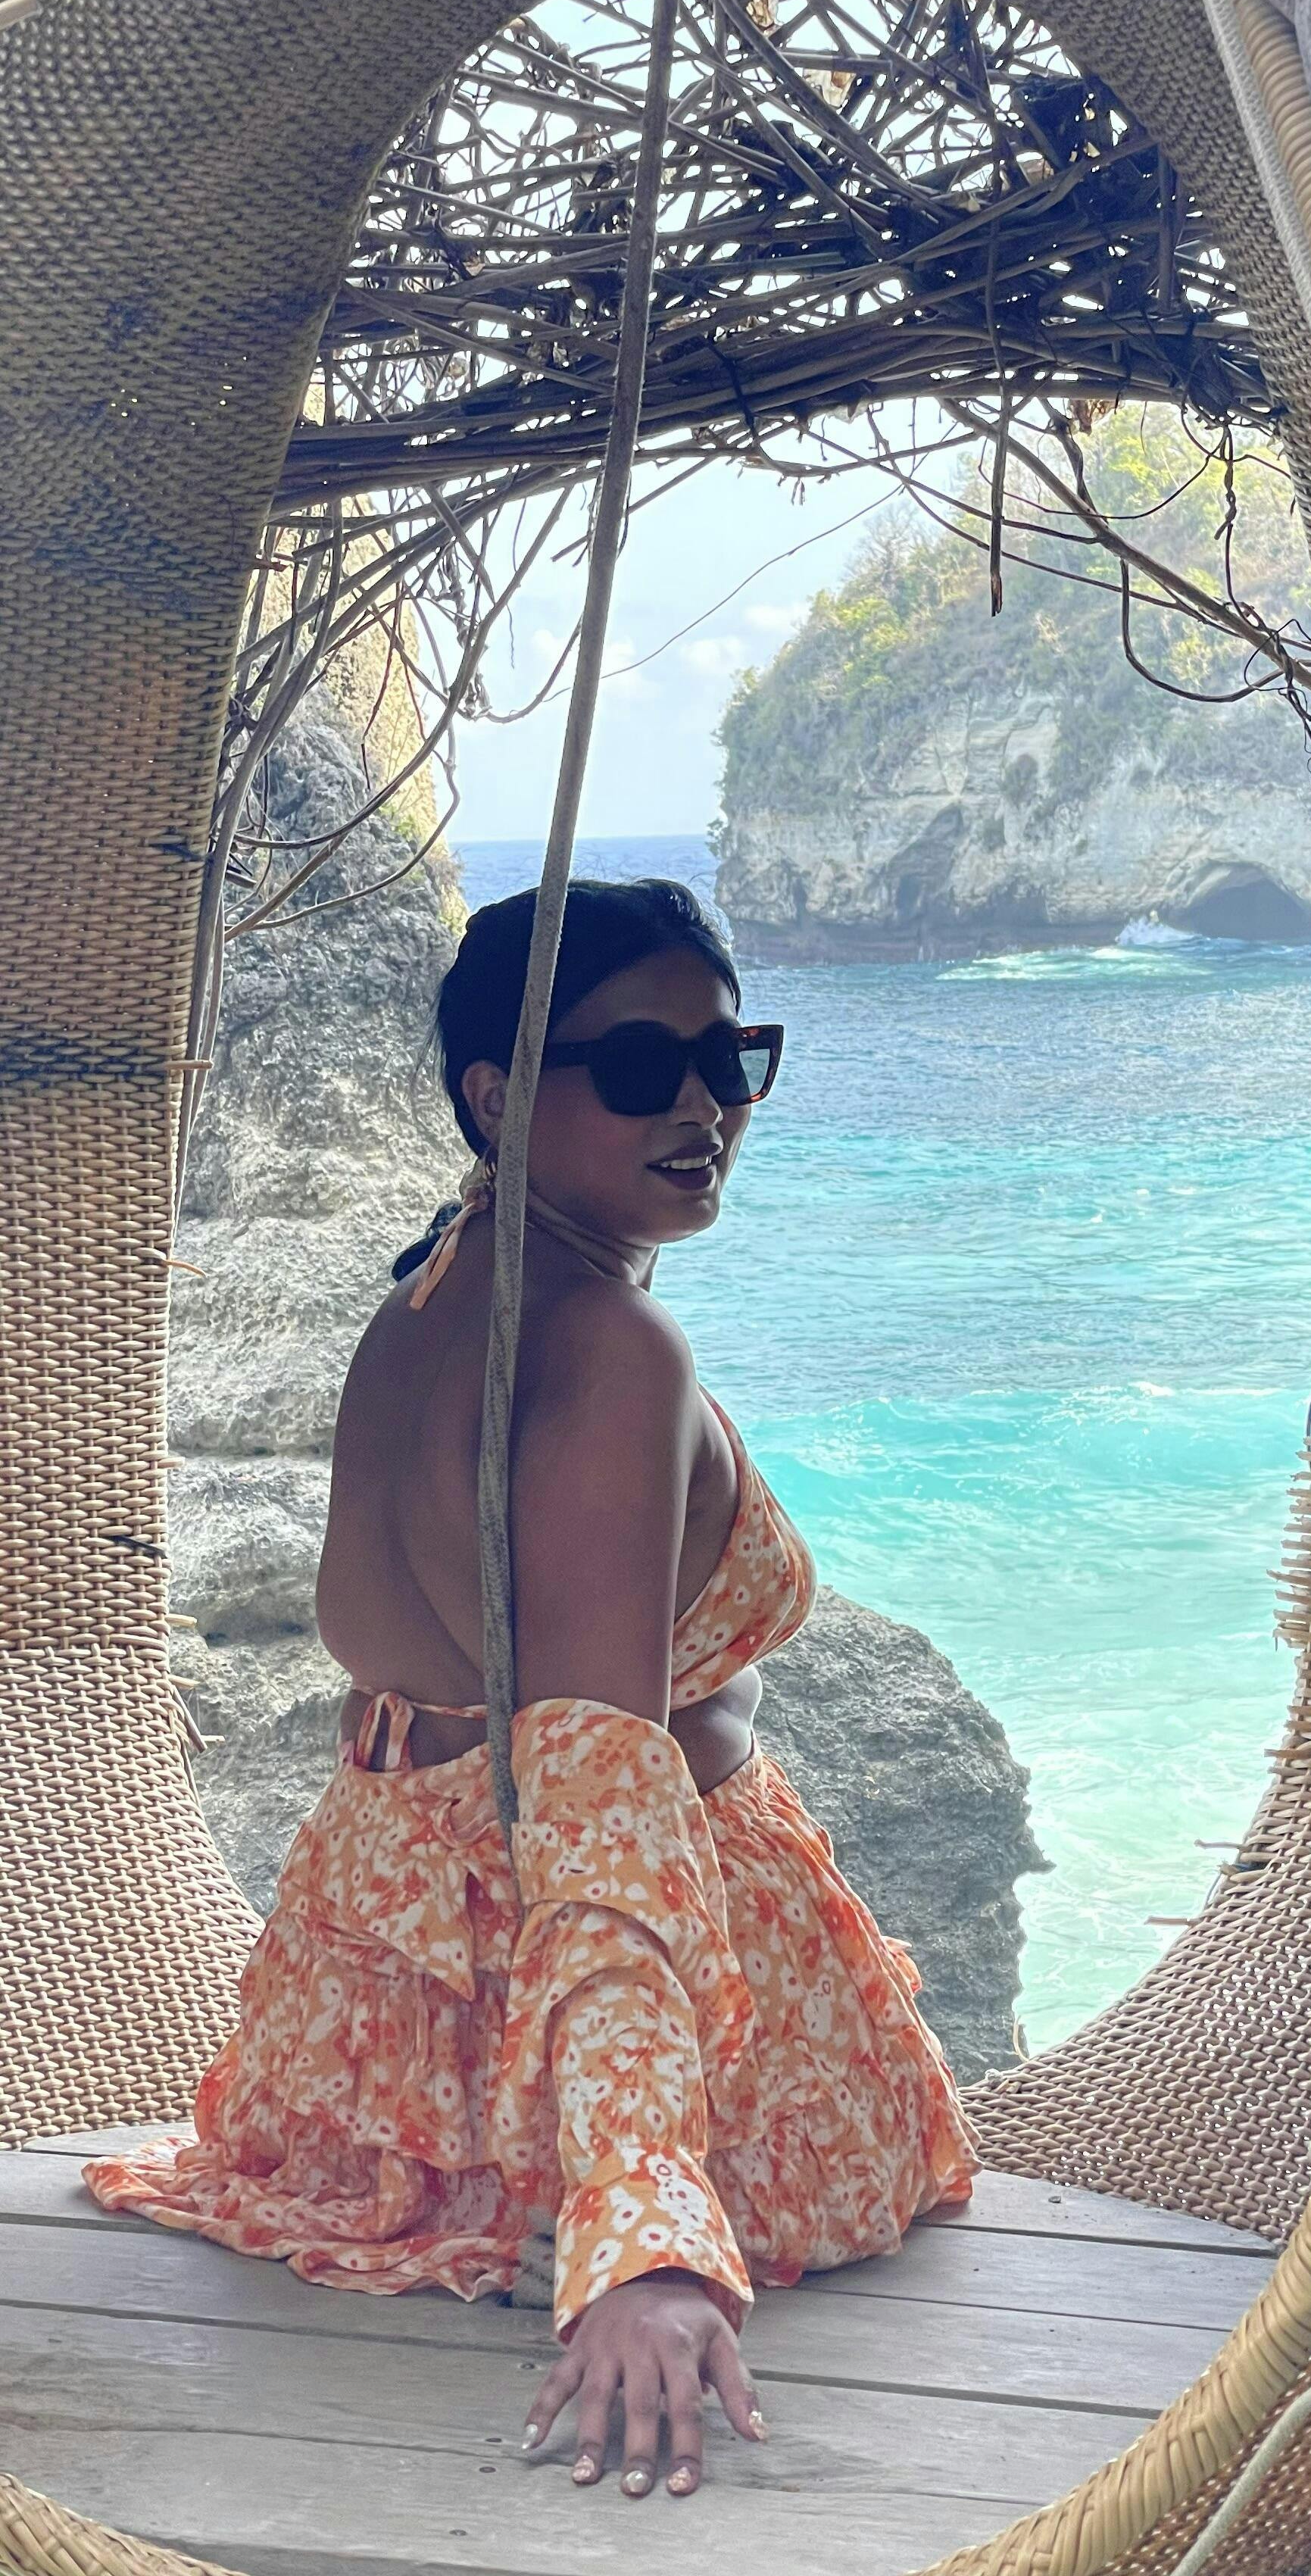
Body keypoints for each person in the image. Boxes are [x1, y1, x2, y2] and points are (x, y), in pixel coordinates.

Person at [86, 879, 975, 2498]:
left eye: (732, 1059)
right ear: (496, 1095)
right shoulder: (614, 1354)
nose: (701, 1105)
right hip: (578, 2078)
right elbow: (594, 1801)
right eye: (637, 1067)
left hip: (378, 2068)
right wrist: (643, 2230)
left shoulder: (430, 1294)